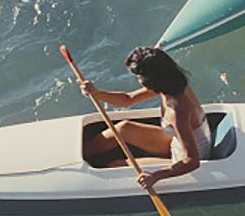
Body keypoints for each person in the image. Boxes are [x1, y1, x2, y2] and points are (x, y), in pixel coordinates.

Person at [79, 46, 212, 190]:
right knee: (123, 128)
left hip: (184, 156)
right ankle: (82, 153)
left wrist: (156, 176)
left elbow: (192, 161)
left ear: (153, 79)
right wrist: (96, 93)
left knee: (116, 166)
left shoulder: (178, 111)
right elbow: (127, 99)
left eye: (139, 76)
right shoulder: (171, 86)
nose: (138, 80)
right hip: (176, 142)